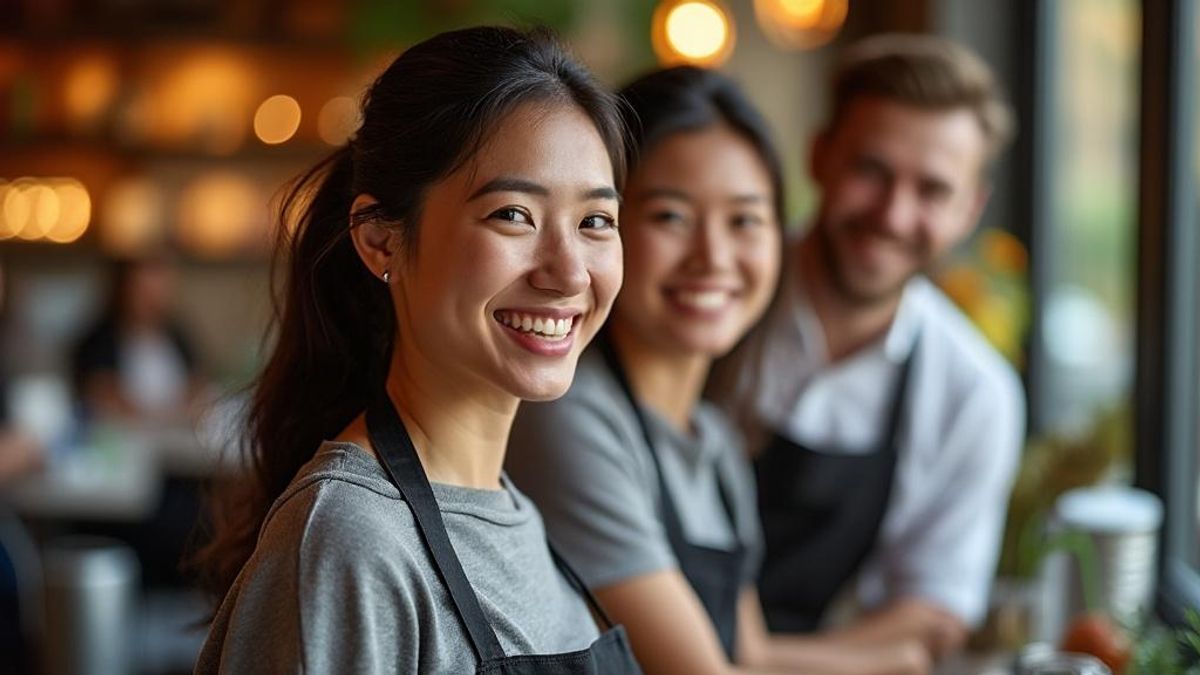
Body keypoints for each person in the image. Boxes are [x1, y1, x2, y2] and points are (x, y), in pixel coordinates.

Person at [193, 26, 640, 673]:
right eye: (513, 214)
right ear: (381, 240)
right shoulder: (352, 539)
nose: (569, 273)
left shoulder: (517, 514)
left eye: (595, 221)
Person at [508, 66, 929, 675]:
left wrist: (908, 660)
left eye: (744, 221)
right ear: (602, 227)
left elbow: (751, 655)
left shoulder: (714, 441)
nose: (713, 258)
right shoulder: (571, 416)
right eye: (670, 217)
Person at [710, 34, 1026, 665]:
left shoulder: (974, 393)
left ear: (970, 210)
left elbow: (931, 618)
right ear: (819, 156)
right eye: (871, 171)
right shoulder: (708, 295)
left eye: (932, 191)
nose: (893, 214)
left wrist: (748, 663)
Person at [70, 252, 208, 425]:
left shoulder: (178, 333)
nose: (153, 299)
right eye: (144, 291)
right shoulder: (99, 341)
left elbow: (198, 383)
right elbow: (100, 393)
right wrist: (154, 417)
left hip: (178, 432)